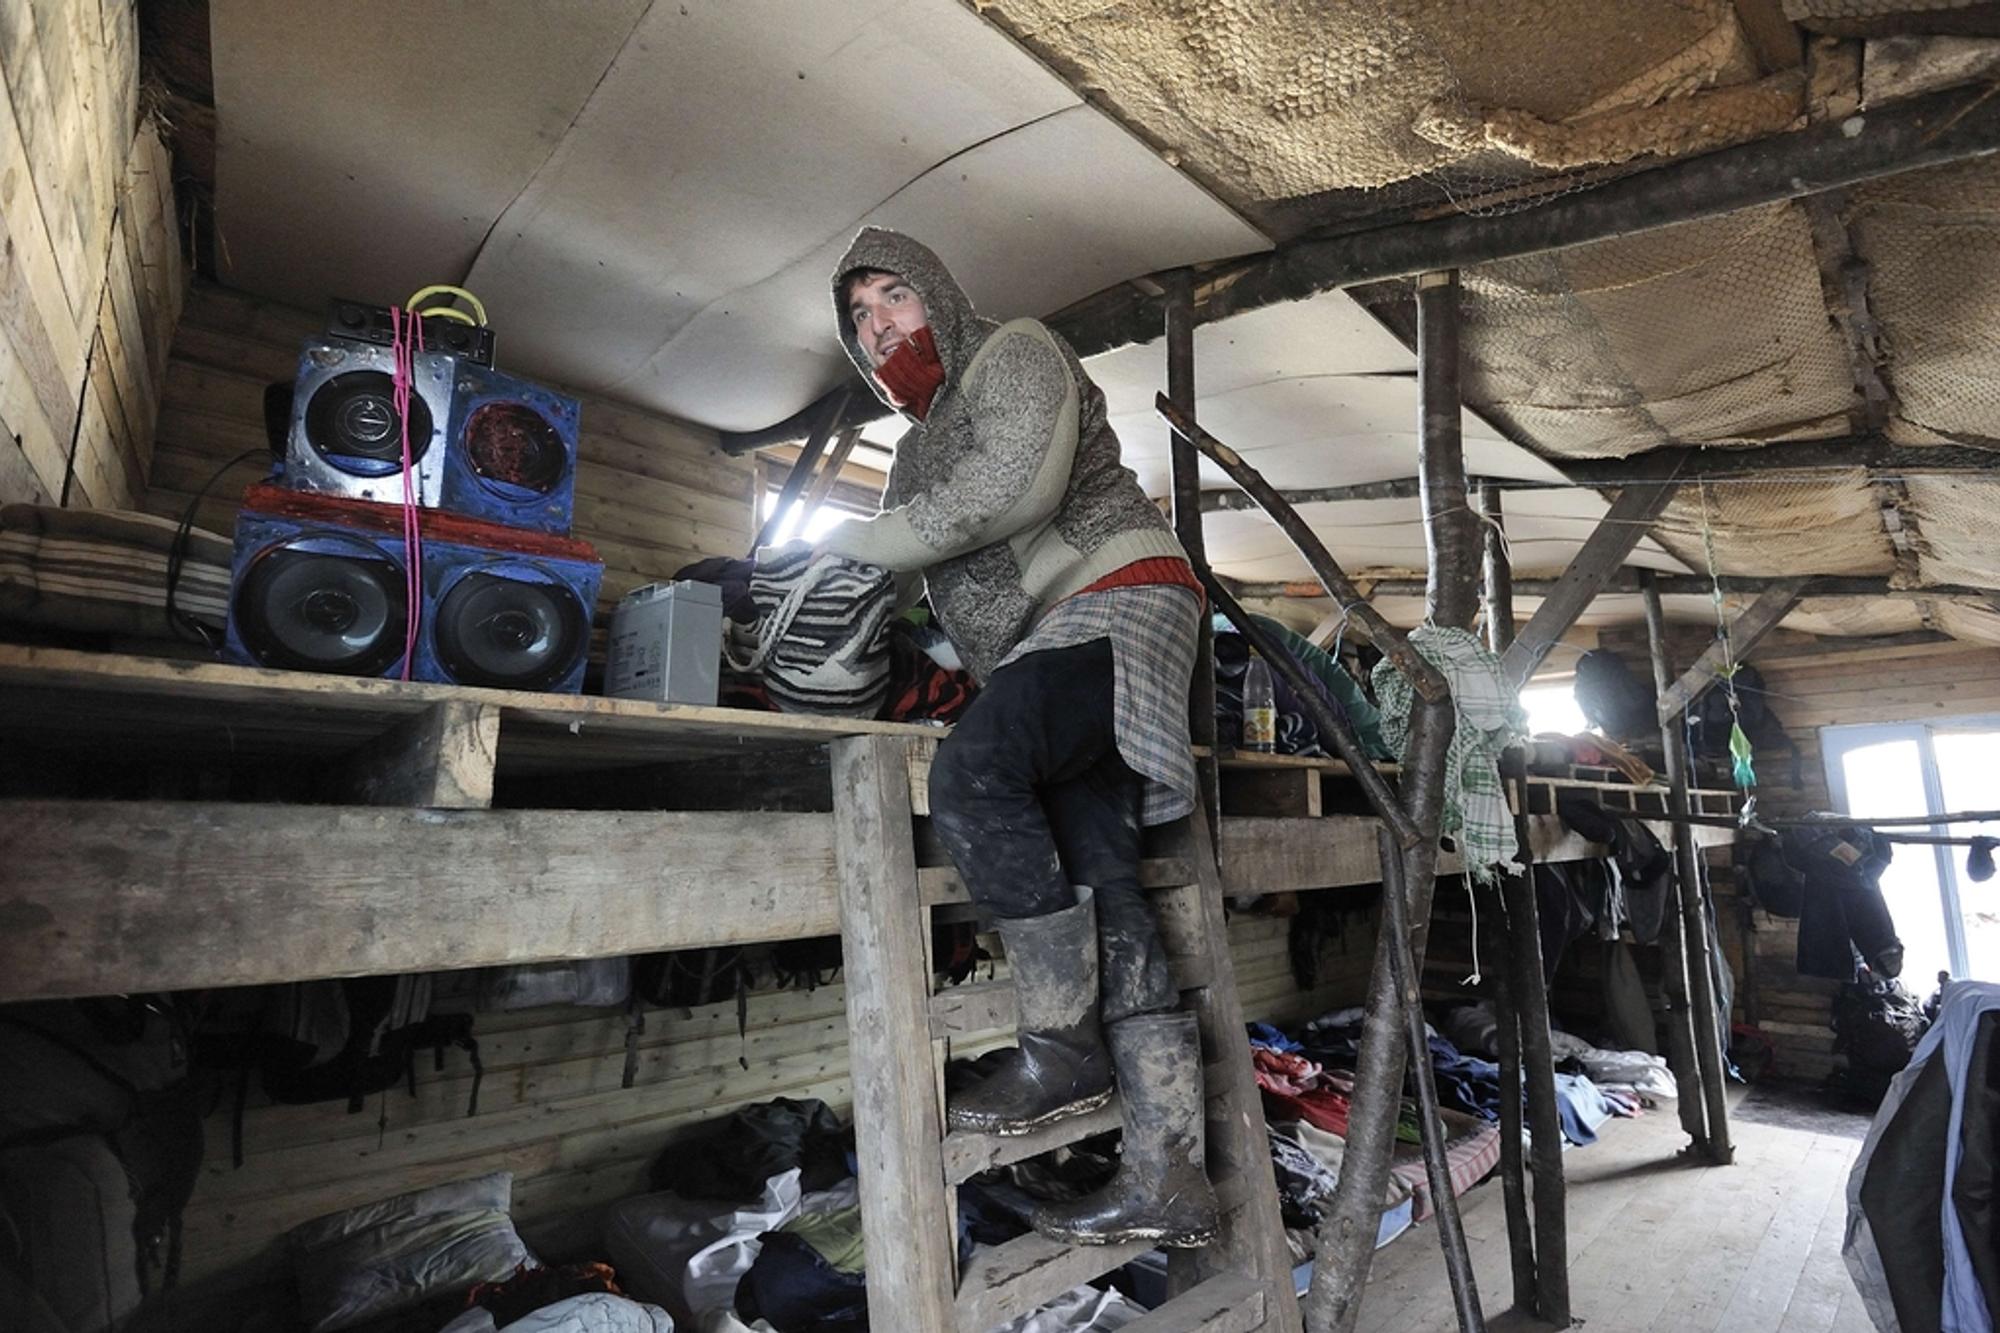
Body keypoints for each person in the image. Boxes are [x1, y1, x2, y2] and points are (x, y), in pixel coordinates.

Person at [809, 228, 1215, 1248]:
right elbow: (912, 564)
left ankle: (1057, 1045)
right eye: (860, 318)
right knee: (1106, 887)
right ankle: (1168, 1177)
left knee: (974, 775)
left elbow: (1010, 494)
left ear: (936, 291)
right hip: (1048, 639)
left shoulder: (1013, 351)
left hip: (1117, 595)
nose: (879, 325)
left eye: (893, 296)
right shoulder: (911, 447)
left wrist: (839, 538)